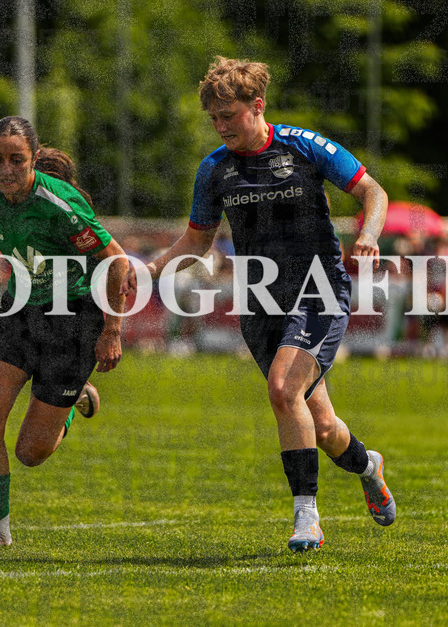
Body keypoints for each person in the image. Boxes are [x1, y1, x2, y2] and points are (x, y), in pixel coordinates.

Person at [128, 57, 395, 552]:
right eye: (214, 118)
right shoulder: (214, 169)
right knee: (324, 427)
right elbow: (197, 240)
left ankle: (307, 519)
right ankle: (368, 466)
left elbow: (372, 192)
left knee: (282, 390)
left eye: (228, 115)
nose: (220, 126)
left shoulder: (304, 146)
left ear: (257, 105)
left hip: (318, 290)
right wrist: (148, 271)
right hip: (261, 301)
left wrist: (370, 234)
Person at [0, 116, 129, 547]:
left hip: (76, 318)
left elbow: (117, 261)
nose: (5, 169)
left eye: (16, 159)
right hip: (20, 312)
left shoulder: (59, 203)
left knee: (30, 453)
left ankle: (72, 401)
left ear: (34, 157)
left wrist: (112, 330)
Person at [33, 147, 101, 415]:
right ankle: (77, 391)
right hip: (39, 304)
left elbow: (107, 260)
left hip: (72, 307)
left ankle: (72, 397)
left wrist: (111, 330)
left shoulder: (69, 212)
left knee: (48, 393)